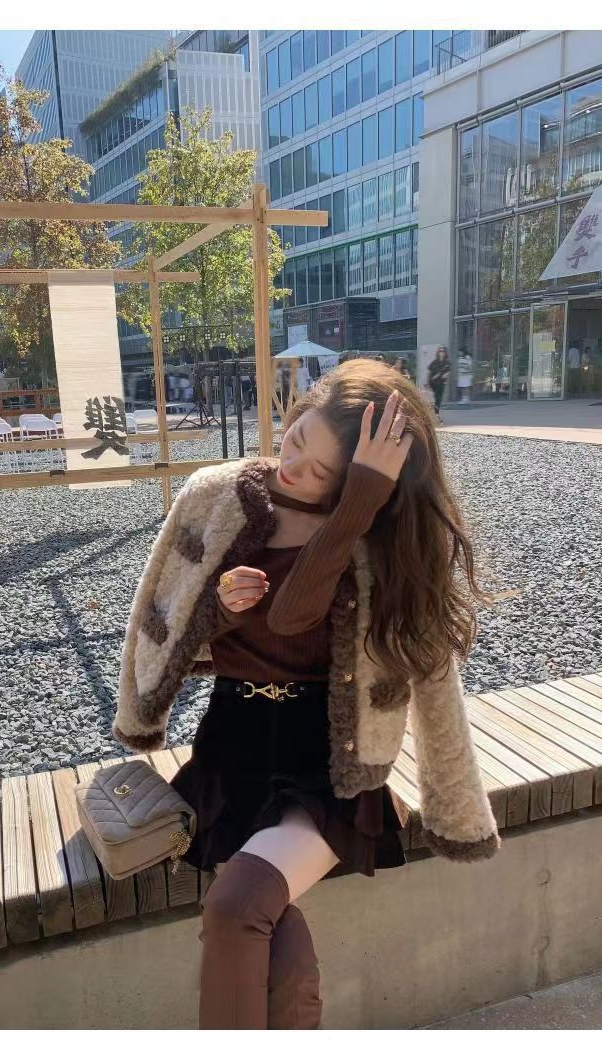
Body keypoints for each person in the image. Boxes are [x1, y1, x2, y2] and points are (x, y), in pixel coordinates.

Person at [112, 358, 501, 1029]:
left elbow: (413, 671)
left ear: (362, 481)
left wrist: (356, 508)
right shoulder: (216, 495)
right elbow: (160, 612)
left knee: (238, 908)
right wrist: (219, 612)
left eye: (321, 469)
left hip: (327, 766)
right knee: (265, 922)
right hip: (230, 748)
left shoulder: (385, 541)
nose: (292, 466)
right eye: (296, 439)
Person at [427, 346, 451, 423]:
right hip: (433, 383)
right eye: (440, 351)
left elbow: (448, 373)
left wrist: (445, 376)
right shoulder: (434, 362)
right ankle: (435, 415)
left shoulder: (447, 363)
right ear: (438, 353)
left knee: (438, 399)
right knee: (436, 399)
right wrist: (427, 383)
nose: (441, 353)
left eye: (443, 351)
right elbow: (429, 373)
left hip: (441, 384)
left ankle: (436, 415)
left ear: (445, 353)